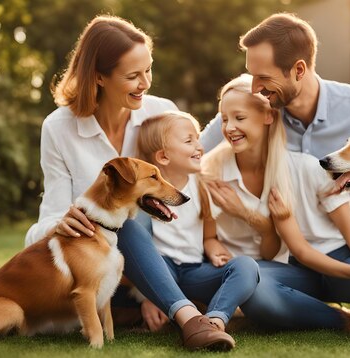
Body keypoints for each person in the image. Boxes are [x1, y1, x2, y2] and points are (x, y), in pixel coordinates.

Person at [24, 15, 235, 350]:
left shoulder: (159, 114)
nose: (146, 82)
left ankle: (163, 306)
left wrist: (152, 286)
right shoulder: (59, 128)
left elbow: (174, 191)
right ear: (99, 77)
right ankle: (189, 319)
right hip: (96, 268)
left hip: (157, 264)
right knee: (122, 222)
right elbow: (48, 218)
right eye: (133, 75)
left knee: (133, 219)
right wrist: (60, 224)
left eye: (148, 70)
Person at [200, 13, 350, 230]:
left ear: (298, 70)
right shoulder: (255, 110)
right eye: (252, 76)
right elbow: (194, 152)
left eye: (263, 77)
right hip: (294, 251)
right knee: (256, 281)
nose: (255, 87)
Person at [202, 74, 350, 331]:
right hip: (289, 270)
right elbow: (273, 253)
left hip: (340, 261)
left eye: (239, 118)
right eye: (225, 119)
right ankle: (344, 321)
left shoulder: (307, 167)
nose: (229, 128)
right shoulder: (212, 174)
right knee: (253, 290)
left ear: (268, 117)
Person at [120, 110, 259, 334]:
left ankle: (215, 320)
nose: (200, 146)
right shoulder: (143, 197)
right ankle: (178, 309)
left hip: (194, 272)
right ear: (163, 156)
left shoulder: (202, 186)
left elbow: (209, 236)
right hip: (162, 269)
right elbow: (136, 256)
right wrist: (148, 294)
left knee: (246, 266)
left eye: (197, 138)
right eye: (189, 140)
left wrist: (215, 250)